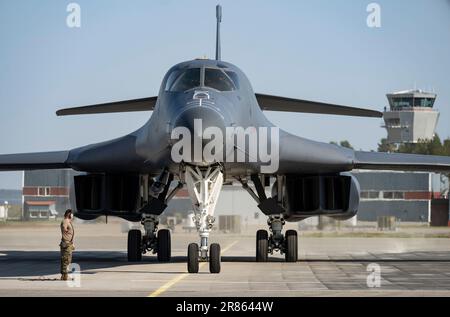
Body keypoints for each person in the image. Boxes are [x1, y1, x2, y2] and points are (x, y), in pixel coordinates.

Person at [60, 209, 75, 281]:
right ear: (69, 214)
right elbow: (63, 226)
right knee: (66, 259)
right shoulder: (65, 221)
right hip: (66, 243)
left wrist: (72, 243)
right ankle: (65, 276)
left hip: (68, 243)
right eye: (72, 214)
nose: (73, 215)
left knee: (67, 259)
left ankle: (64, 275)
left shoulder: (68, 221)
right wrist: (64, 229)